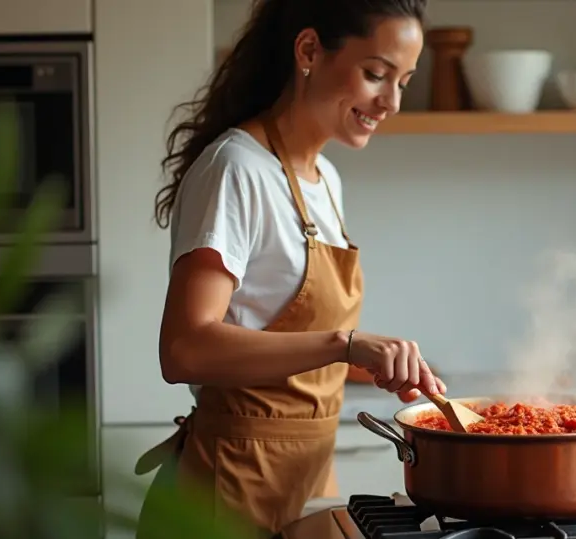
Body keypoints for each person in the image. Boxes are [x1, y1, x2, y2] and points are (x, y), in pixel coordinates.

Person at [132, 1, 443, 537]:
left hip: (306, 478)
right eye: (376, 74)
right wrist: (346, 343)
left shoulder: (324, 178)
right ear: (308, 51)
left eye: (404, 82)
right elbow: (185, 349)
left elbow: (285, 338)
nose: (391, 102)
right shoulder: (236, 169)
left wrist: (381, 365)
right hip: (227, 487)